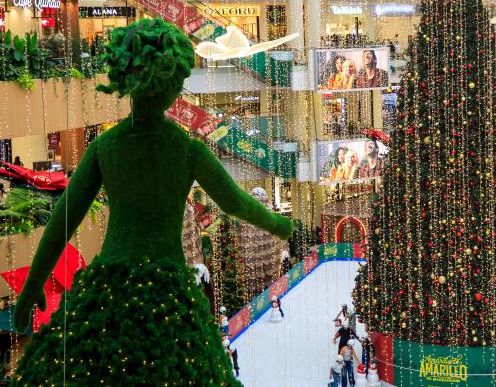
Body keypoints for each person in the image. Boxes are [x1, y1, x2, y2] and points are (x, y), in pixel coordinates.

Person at [12, 19, 294, 385]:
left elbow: (63, 221)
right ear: (172, 86)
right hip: (168, 295)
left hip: (107, 294)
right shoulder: (186, 149)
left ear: (126, 79)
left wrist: (31, 288)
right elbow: (236, 203)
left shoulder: (104, 148)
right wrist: (279, 224)